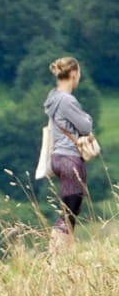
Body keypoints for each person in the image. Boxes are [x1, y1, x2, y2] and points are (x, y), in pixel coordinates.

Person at [43, 56, 94, 253]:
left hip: (57, 157)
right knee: (70, 210)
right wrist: (86, 116)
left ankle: (62, 253)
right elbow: (86, 125)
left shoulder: (53, 97)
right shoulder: (67, 100)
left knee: (69, 207)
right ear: (73, 74)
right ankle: (54, 254)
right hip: (70, 158)